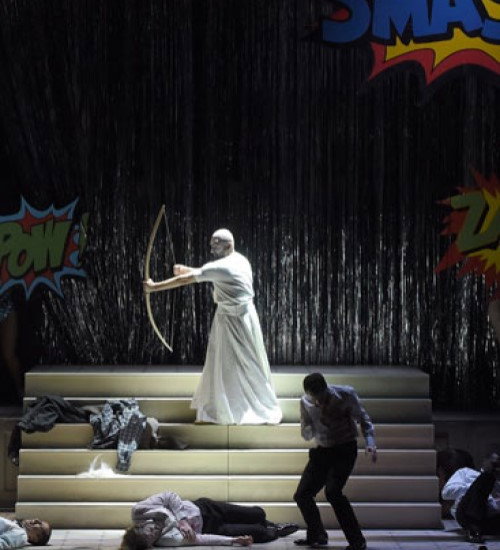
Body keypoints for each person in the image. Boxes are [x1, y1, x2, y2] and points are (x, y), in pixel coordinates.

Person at [143, 228, 282, 425]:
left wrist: (154, 287)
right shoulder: (240, 260)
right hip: (241, 318)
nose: (211, 250)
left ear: (228, 245)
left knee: (246, 363)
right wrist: (187, 269)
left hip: (234, 320)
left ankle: (242, 407)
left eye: (215, 246)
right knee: (231, 362)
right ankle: (227, 404)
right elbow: (211, 273)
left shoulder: (220, 267)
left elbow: (189, 279)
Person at [293, 372, 377, 550]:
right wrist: (315, 423)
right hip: (322, 451)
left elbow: (364, 419)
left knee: (333, 492)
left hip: (344, 449)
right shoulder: (306, 402)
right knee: (302, 494)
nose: (318, 401)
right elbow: (306, 432)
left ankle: (357, 541)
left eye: (321, 397)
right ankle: (317, 535)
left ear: (326, 388)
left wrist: (370, 443)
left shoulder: (345, 394)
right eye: (314, 398)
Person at [119, 490, 299, 548]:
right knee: (260, 533)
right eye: (152, 539)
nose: (154, 533)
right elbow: (198, 539)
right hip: (210, 528)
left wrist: (182, 520)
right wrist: (232, 540)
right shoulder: (164, 541)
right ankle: (275, 530)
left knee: (258, 514)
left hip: (205, 508)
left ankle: (269, 523)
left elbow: (169, 495)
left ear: (139, 527)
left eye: (149, 532)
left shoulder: (140, 511)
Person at [441, 452, 500, 544]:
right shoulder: (466, 472)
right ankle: (474, 530)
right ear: (485, 462)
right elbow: (446, 492)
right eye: (495, 464)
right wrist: (474, 487)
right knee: (486, 478)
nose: (497, 468)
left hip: (489, 519)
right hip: (467, 515)